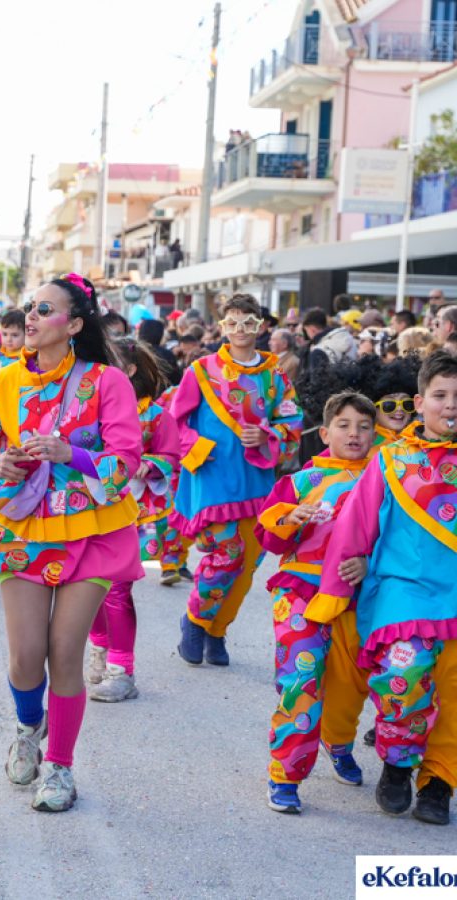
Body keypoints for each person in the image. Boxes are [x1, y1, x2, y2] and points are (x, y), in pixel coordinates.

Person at [0, 273, 143, 812]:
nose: (32, 319)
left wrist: (71, 455)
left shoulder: (108, 382)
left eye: (45, 309)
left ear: (75, 324)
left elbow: (126, 462)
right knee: (25, 657)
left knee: (65, 654)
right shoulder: (2, 381)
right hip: (22, 525)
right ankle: (27, 725)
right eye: (29, 309)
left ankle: (61, 766)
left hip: (92, 529)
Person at [314, 352, 457, 825]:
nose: (450, 405)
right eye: (440, 395)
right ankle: (398, 762)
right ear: (420, 402)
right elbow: (356, 524)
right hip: (404, 592)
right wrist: (336, 589)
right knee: (406, 676)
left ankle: (439, 781)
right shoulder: (391, 460)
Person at [256, 390, 376, 814]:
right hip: (300, 594)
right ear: (325, 433)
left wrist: (367, 564)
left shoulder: (387, 480)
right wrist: (290, 518)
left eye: (364, 426)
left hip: (359, 599)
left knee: (348, 686)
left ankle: (337, 741)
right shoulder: (300, 481)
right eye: (344, 425)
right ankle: (285, 774)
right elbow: (267, 537)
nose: (354, 434)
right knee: (300, 682)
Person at [171, 293, 302, 668]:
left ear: (261, 326)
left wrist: (267, 435)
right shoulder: (201, 370)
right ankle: (195, 621)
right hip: (213, 478)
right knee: (226, 555)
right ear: (223, 326)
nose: (242, 330)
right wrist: (196, 446)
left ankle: (217, 630)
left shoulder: (275, 376)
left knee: (249, 564)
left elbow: (291, 421)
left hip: (257, 481)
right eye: (234, 322)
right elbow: (174, 421)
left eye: (249, 322)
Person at [86, 337, 176, 702]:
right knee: (87, 588)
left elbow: (171, 455)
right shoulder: (89, 406)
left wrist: (146, 464)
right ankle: (99, 647)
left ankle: (122, 670)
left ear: (130, 370)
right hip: (87, 509)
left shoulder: (156, 416)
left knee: (117, 588)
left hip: (131, 513)